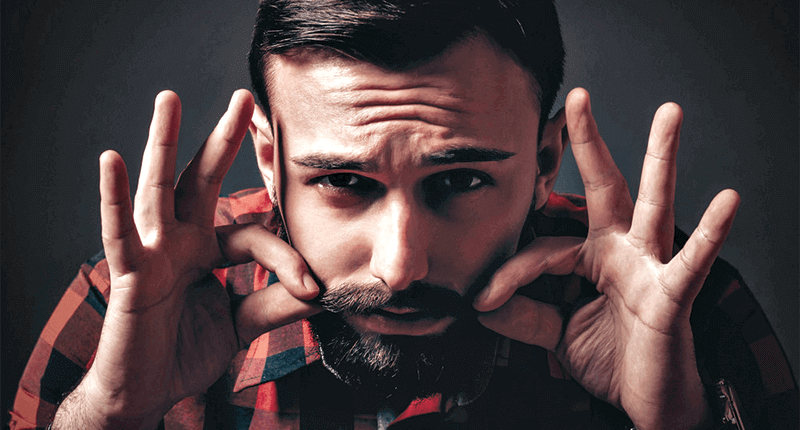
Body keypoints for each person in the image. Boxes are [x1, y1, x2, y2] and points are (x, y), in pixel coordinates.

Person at [10, 0, 797, 428]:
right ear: (269, 161)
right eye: (343, 182)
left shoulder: (676, 304)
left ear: (545, 160)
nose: (401, 266)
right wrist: (109, 417)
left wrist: (679, 421)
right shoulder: (136, 301)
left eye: (461, 181)